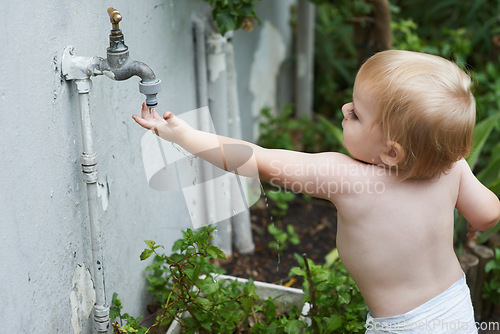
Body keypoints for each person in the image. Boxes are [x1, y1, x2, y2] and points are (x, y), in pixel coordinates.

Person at [132, 50, 500, 333]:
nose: (344, 108)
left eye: (356, 113)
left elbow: (257, 159)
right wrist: (472, 225)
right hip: (455, 311)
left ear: (391, 151)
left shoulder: (349, 178)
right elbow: (487, 213)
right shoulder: (450, 166)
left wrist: (183, 135)